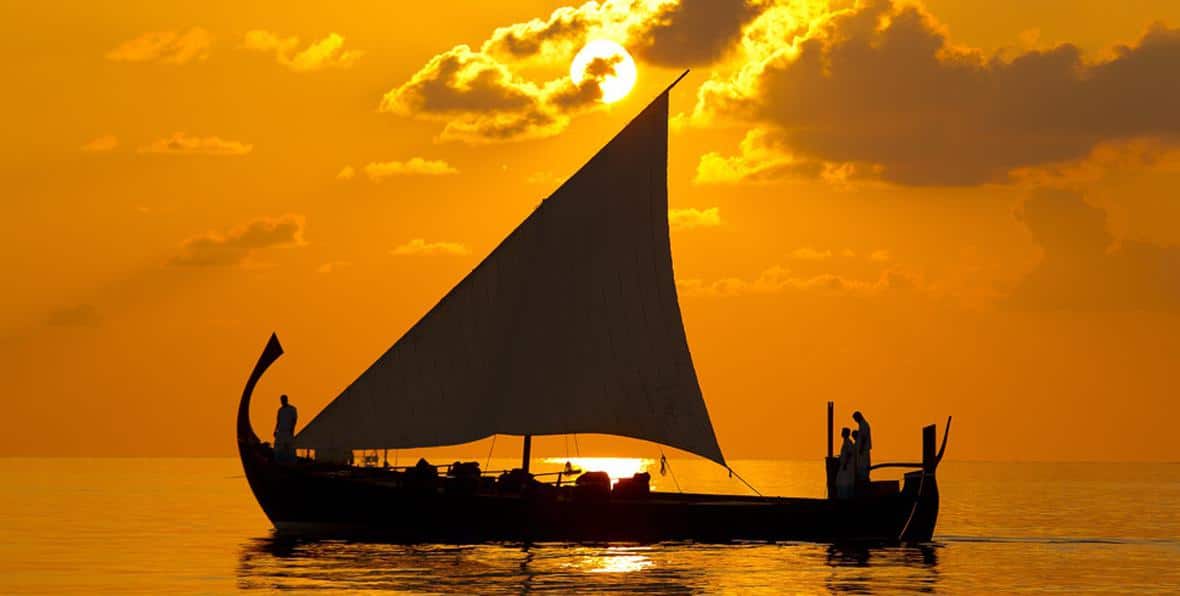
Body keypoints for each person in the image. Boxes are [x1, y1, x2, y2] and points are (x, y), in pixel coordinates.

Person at [274, 394, 297, 463]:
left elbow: (294, 420)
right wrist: (275, 430)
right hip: (280, 431)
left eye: (283, 400)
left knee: (290, 448)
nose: (282, 401)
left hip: (288, 431)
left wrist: (292, 429)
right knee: (278, 448)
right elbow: (278, 421)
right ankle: (278, 461)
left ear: (286, 400)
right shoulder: (280, 410)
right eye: (281, 400)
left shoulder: (292, 409)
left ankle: (292, 463)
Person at [835, 427, 857, 499]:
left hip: (846, 466)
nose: (841, 433)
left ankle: (844, 498)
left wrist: (845, 464)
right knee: (841, 481)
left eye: (843, 432)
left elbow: (849, 454)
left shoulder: (848, 442)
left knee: (843, 482)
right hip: (845, 465)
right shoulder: (846, 442)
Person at [852, 410, 872, 486]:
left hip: (863, 451)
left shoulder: (864, 425)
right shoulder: (861, 425)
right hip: (862, 451)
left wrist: (860, 449)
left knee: (863, 468)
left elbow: (863, 438)